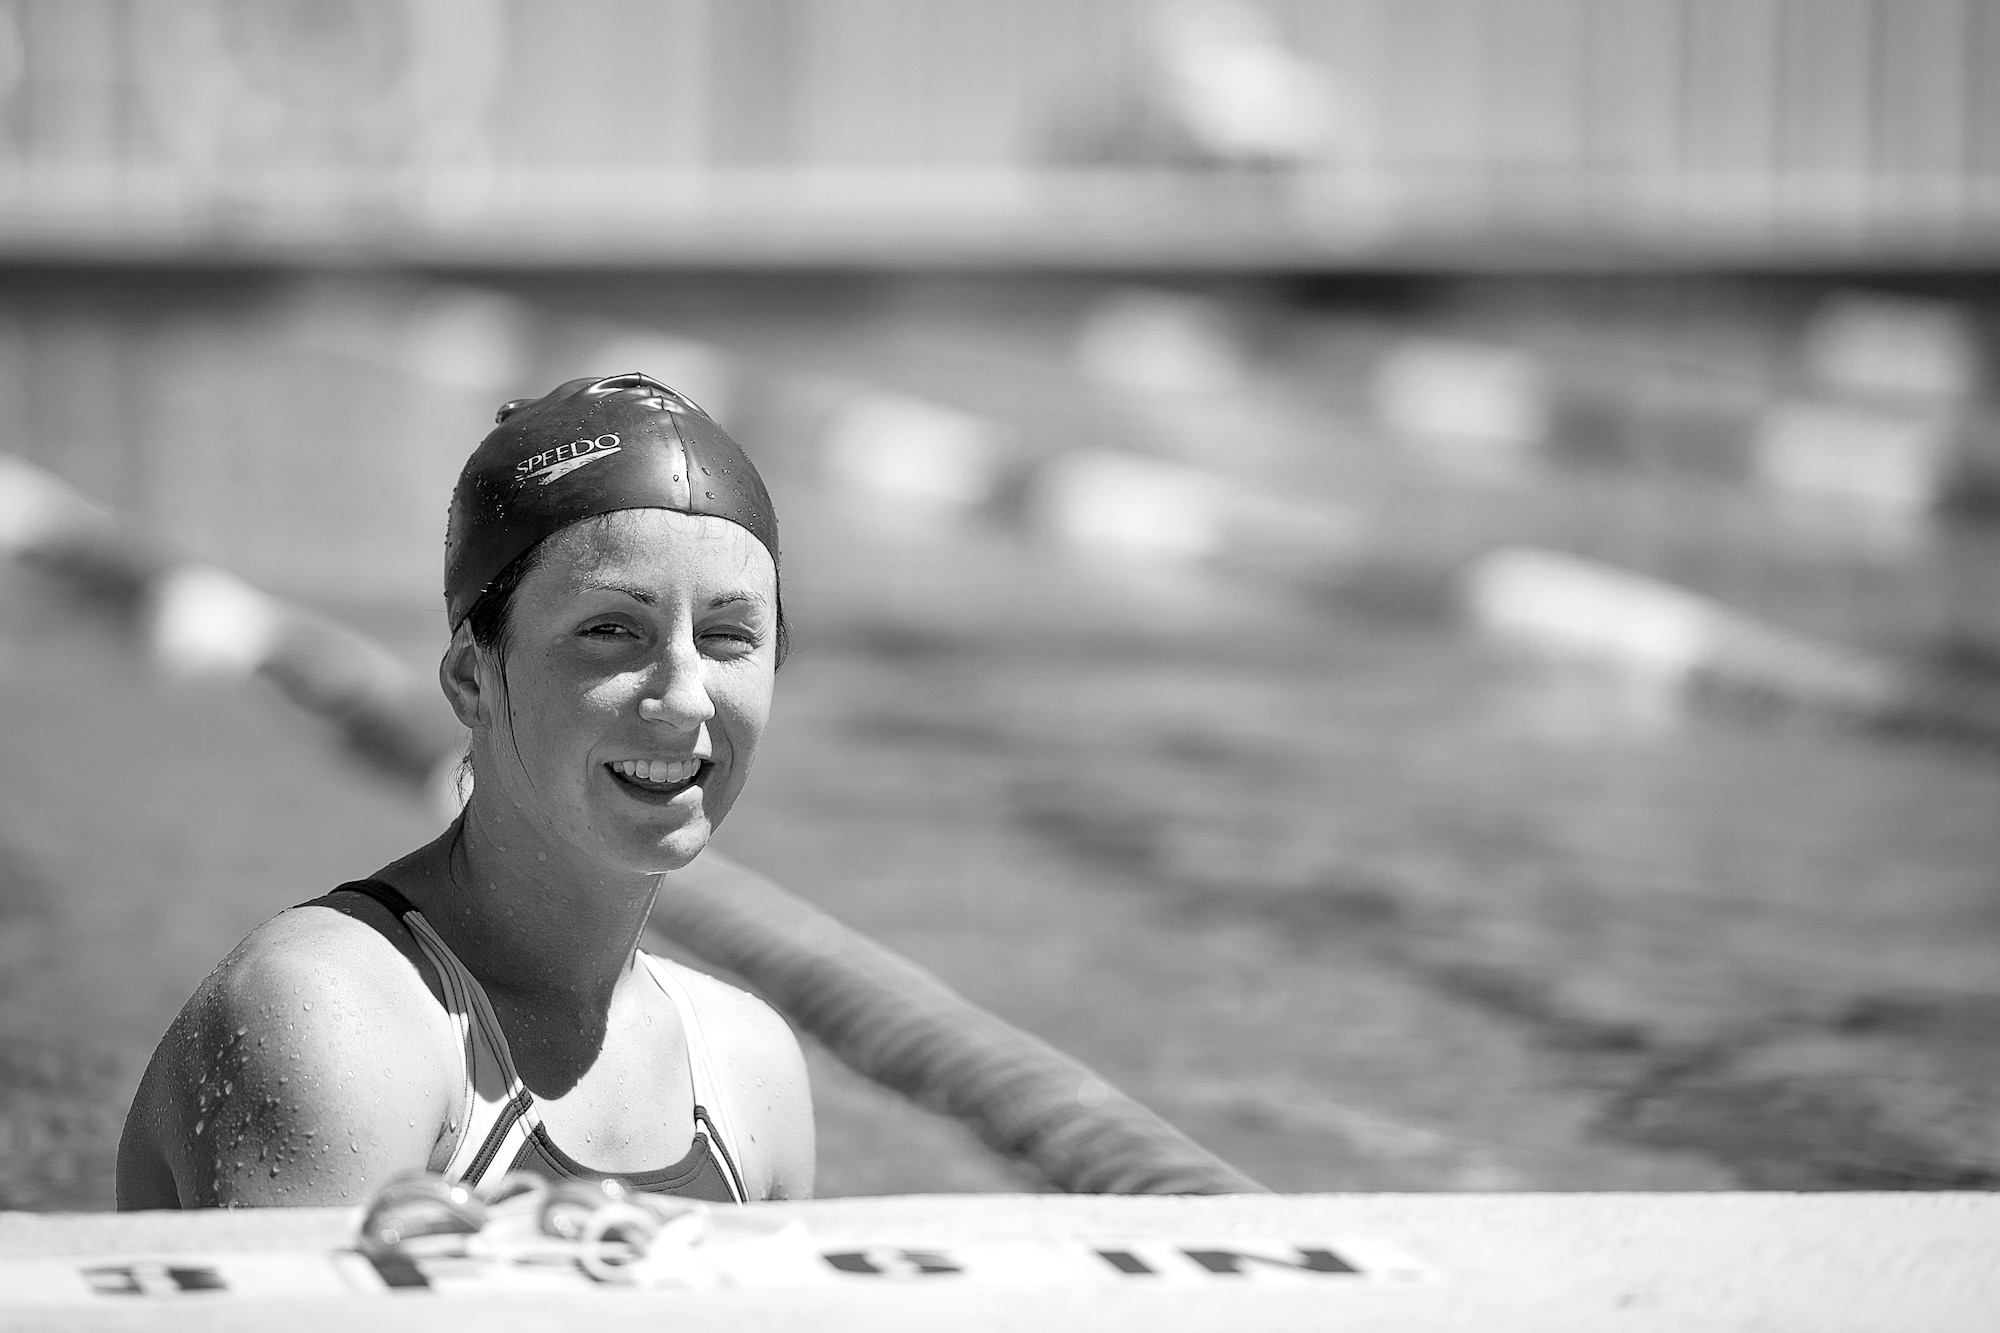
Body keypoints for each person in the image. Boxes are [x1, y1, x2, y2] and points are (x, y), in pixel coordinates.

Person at [116, 373, 815, 1208]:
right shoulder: (329, 1018)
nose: (686, 694)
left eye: (728, 636)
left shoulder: (750, 1071)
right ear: (470, 679)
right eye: (610, 631)